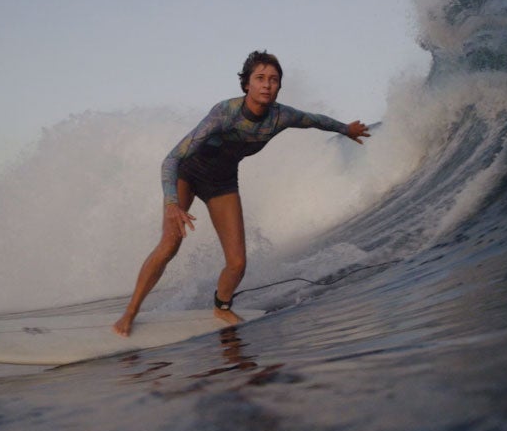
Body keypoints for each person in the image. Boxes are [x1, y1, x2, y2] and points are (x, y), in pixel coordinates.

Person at [113, 50, 370, 337]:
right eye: (259, 78)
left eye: (273, 79)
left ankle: (221, 306)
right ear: (246, 84)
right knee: (170, 243)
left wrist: (345, 128)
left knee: (237, 262)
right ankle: (130, 312)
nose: (267, 84)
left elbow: (313, 120)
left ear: (279, 86)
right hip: (189, 173)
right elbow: (171, 159)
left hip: (222, 182)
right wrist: (172, 203)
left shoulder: (281, 116)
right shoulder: (224, 113)